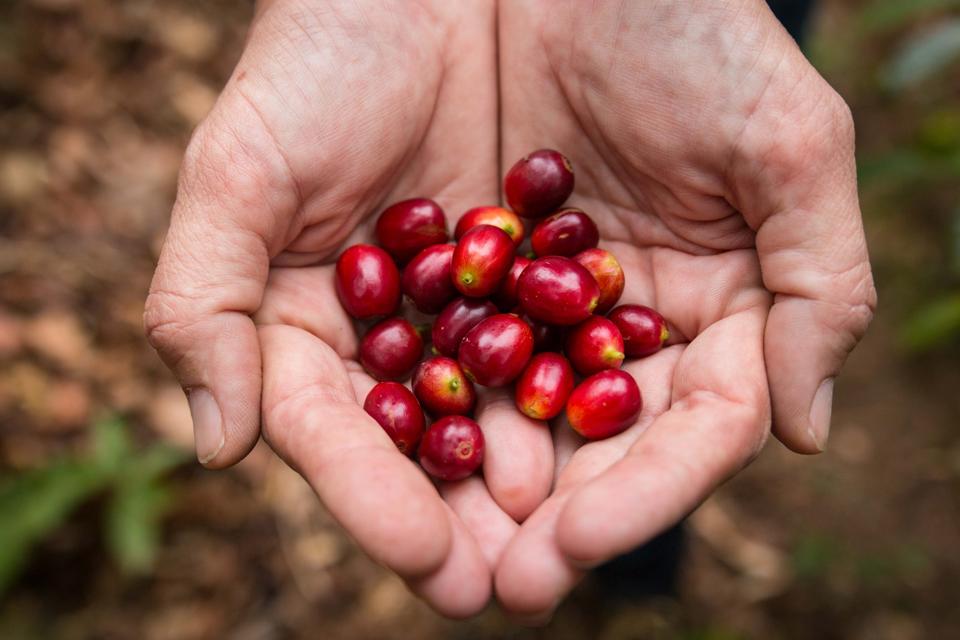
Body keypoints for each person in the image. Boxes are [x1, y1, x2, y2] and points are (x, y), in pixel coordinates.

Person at [144, 0, 875, 623]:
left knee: (635, 469)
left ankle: (634, 585)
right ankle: (625, 581)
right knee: (613, 460)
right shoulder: (480, 294)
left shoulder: (548, 298)